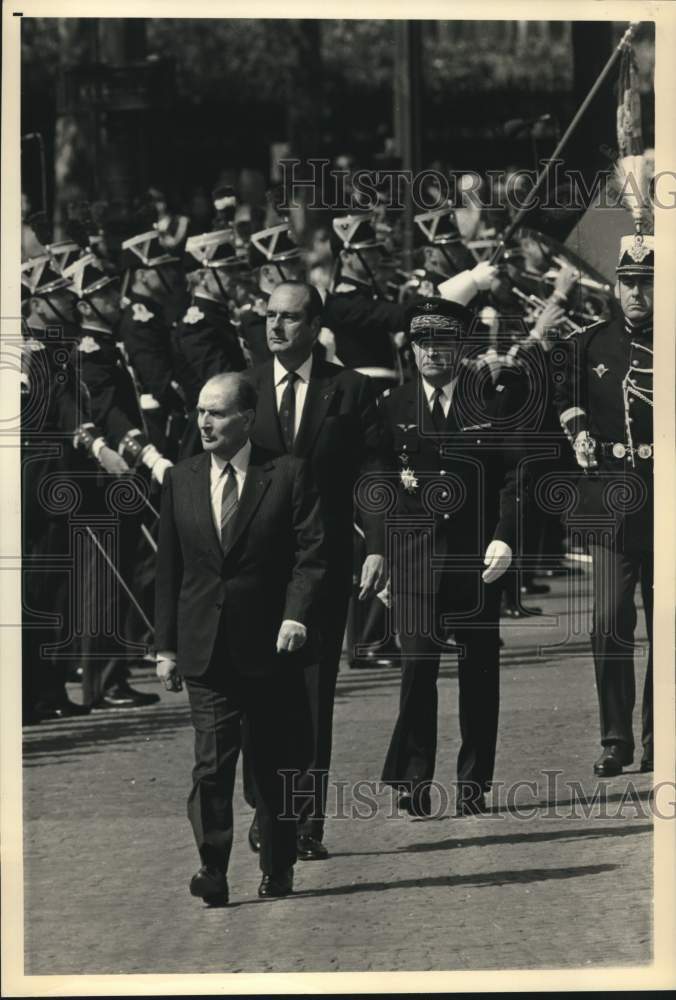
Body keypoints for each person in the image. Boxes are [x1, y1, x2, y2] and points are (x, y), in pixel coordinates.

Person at [154, 372, 326, 905]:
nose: (204, 422)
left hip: (272, 649)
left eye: (217, 413)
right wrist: (165, 646)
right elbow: (169, 568)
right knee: (211, 766)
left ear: (247, 419)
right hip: (206, 649)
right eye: (200, 411)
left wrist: (296, 616)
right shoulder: (181, 480)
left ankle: (278, 865)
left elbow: (311, 555)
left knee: (273, 765)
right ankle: (213, 868)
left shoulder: (288, 473)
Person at [364, 298, 523, 817]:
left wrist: (506, 534)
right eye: (424, 342)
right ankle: (414, 777)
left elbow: (516, 473)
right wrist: (379, 552)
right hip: (413, 559)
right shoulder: (392, 405)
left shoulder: (490, 402)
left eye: (444, 342)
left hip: (477, 558)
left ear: (461, 347)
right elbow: (377, 484)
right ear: (411, 349)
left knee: (478, 672)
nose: (433, 352)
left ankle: (475, 781)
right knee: (417, 669)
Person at [244, 280, 385, 858]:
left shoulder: (347, 390)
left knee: (310, 694)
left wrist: (377, 543)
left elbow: (373, 471)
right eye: (269, 316)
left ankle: (305, 819)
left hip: (322, 565)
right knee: (257, 692)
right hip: (253, 568)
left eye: (290, 318)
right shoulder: (245, 388)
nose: (276, 327)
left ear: (314, 325)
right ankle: (264, 809)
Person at [554, 233, 654, 776]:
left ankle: (660, 737)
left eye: (647, 283)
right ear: (615, 286)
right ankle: (616, 739)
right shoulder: (589, 342)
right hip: (613, 502)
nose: (636, 293)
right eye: (629, 283)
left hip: (667, 502)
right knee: (608, 619)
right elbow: (562, 389)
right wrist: (576, 428)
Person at [63, 252, 170, 710]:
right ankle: (103, 682)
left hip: (118, 476)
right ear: (86, 305)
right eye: (104, 293)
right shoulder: (89, 350)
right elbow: (108, 413)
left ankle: (112, 675)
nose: (116, 297)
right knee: (104, 581)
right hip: (106, 477)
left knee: (117, 574)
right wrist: (145, 454)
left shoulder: (104, 345)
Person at [172, 228, 247, 458]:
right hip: (211, 441)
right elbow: (226, 384)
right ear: (203, 276)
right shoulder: (197, 324)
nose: (236, 276)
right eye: (226, 270)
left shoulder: (218, 315)